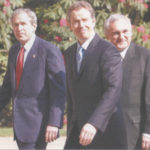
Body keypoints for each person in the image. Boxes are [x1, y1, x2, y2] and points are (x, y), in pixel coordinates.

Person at [64, 1, 127, 149]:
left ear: (93, 21)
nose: (81, 25)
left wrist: (94, 123)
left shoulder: (108, 50)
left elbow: (113, 89)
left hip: (107, 133)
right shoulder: (69, 53)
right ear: (70, 25)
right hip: (78, 134)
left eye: (85, 20)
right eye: (76, 21)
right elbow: (72, 95)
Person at [0, 8, 66, 150]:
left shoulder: (48, 50)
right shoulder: (14, 51)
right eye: (16, 25)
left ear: (34, 26)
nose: (19, 28)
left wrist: (54, 122)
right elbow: (6, 88)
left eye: (23, 24)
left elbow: (59, 90)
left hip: (38, 126)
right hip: (20, 126)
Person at [104, 13, 150, 150]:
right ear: (108, 36)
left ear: (131, 33)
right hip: (106, 132)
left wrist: (148, 131)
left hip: (135, 133)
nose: (121, 37)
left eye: (125, 32)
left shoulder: (145, 56)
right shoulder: (102, 57)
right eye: (116, 33)